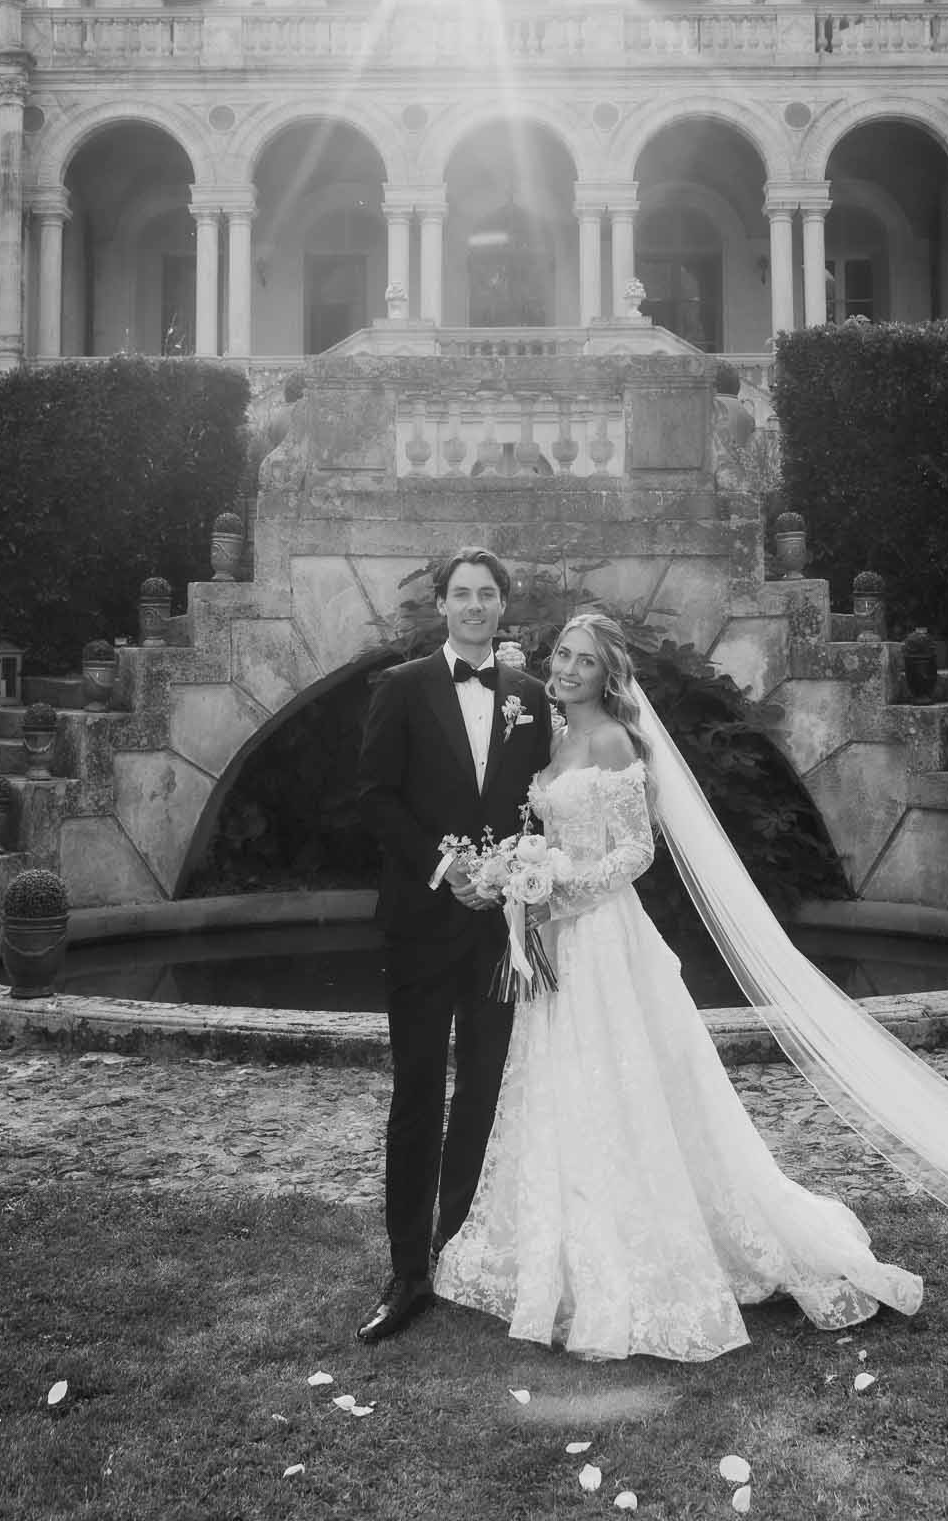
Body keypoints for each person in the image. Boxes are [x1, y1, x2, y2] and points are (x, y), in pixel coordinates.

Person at [433, 610, 923, 1360]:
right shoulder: (553, 738)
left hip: (603, 937)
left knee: (625, 1082)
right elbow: (546, 833)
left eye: (584, 662)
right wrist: (523, 875)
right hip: (555, 937)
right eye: (561, 655)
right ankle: (558, 1246)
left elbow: (635, 851)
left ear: (608, 675)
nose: (565, 670)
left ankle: (647, 1251)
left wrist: (558, 887)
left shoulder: (615, 741)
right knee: (564, 1086)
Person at [354, 546, 553, 1345]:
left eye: (487, 594)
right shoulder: (400, 689)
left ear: (504, 606)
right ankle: (405, 1270)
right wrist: (450, 869)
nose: (474, 606)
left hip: (498, 929)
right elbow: (373, 799)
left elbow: (543, 805)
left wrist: (512, 871)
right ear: (441, 605)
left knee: (481, 1089)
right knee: (415, 1092)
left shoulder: (533, 699)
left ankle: (458, 1248)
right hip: (422, 920)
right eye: (461, 594)